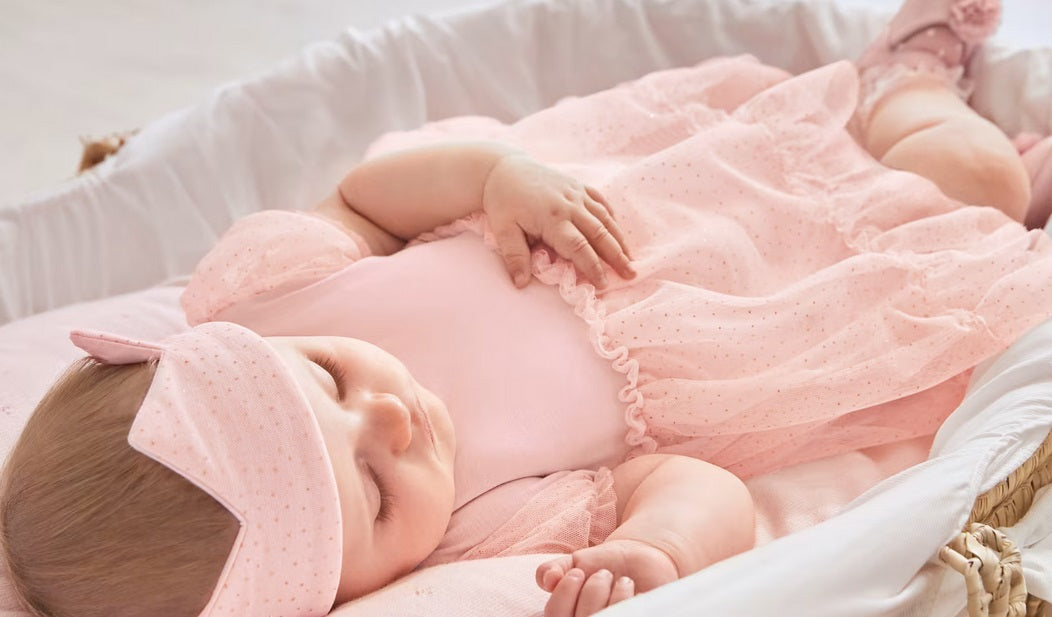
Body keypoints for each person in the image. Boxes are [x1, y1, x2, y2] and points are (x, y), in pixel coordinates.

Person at [3, 1, 1052, 617]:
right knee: (969, 190)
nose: (395, 416)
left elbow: (366, 194)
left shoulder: (265, 290)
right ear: (338, 586)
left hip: (643, 196)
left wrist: (493, 177)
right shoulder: (478, 525)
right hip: (762, 315)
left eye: (328, 376)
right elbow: (679, 479)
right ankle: (965, 140)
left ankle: (906, 69)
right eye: (371, 485)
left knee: (842, 140)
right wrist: (661, 551)